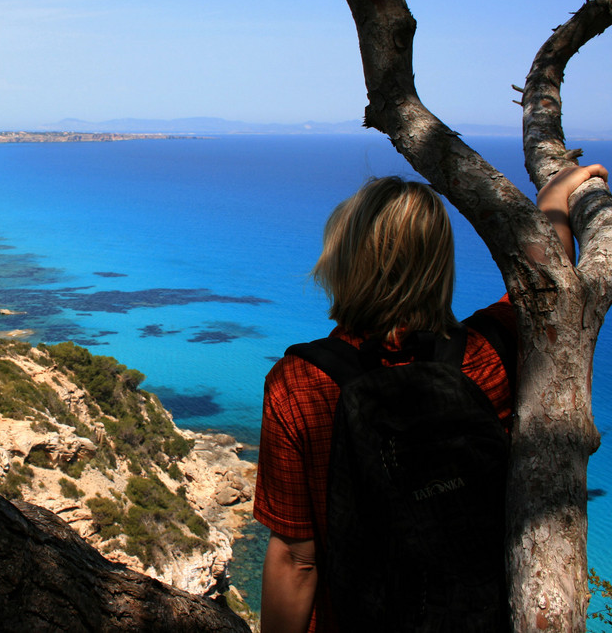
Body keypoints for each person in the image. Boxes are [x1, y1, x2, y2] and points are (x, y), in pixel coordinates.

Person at [253, 164, 608, 633]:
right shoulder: (489, 356)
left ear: (342, 263)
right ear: (439, 265)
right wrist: (552, 203)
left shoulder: (299, 383)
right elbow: (547, 284)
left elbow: (296, 560)